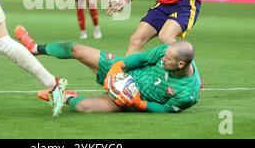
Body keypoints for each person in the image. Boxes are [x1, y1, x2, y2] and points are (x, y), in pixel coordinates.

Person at [15, 26, 202, 113]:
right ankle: (35, 48)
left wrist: (139, 104)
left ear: (180, 65)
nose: (164, 59)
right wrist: (118, 66)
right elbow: (143, 57)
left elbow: (166, 109)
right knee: (76, 49)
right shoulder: (168, 50)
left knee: (82, 107)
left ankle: (63, 95)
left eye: (168, 60)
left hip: (129, 97)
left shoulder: (187, 94)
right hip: (125, 72)